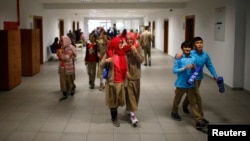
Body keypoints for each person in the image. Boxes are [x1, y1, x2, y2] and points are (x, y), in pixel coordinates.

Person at [176, 37, 217, 124]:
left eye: (201, 42)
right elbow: (181, 56)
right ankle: (200, 117)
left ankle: (184, 105)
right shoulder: (191, 52)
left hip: (198, 79)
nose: (200, 44)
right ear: (194, 45)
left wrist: (215, 76)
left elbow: (209, 65)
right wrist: (177, 55)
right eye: (197, 43)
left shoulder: (205, 55)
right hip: (190, 78)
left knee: (192, 95)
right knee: (197, 97)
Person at [171, 40, 208, 129]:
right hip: (180, 84)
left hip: (190, 84)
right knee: (177, 100)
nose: (187, 49)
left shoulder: (193, 58)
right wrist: (185, 68)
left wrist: (195, 69)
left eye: (189, 47)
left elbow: (196, 71)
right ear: (182, 48)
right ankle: (174, 112)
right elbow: (174, 71)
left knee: (193, 102)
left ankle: (198, 120)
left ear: (191, 48)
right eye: (185, 47)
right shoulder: (179, 58)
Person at [99, 36, 128, 127]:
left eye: (121, 43)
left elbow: (126, 66)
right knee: (112, 101)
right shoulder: (109, 53)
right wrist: (106, 61)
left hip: (121, 81)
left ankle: (115, 112)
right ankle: (114, 118)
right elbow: (100, 64)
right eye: (119, 43)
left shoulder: (123, 53)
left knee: (119, 100)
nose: (121, 44)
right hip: (112, 81)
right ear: (115, 43)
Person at [124, 32, 144, 126]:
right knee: (130, 94)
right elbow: (121, 61)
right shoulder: (124, 49)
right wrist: (125, 71)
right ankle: (133, 115)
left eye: (131, 39)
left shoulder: (138, 47)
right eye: (127, 39)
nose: (129, 41)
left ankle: (129, 108)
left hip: (136, 75)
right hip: (127, 76)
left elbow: (141, 60)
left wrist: (135, 52)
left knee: (136, 94)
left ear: (134, 39)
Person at [56, 36, 77, 101]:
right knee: (62, 80)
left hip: (68, 67)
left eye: (62, 41)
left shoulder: (69, 48)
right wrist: (59, 55)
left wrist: (60, 55)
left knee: (69, 79)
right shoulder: (62, 48)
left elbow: (67, 57)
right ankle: (64, 91)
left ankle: (71, 89)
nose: (60, 42)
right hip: (62, 67)